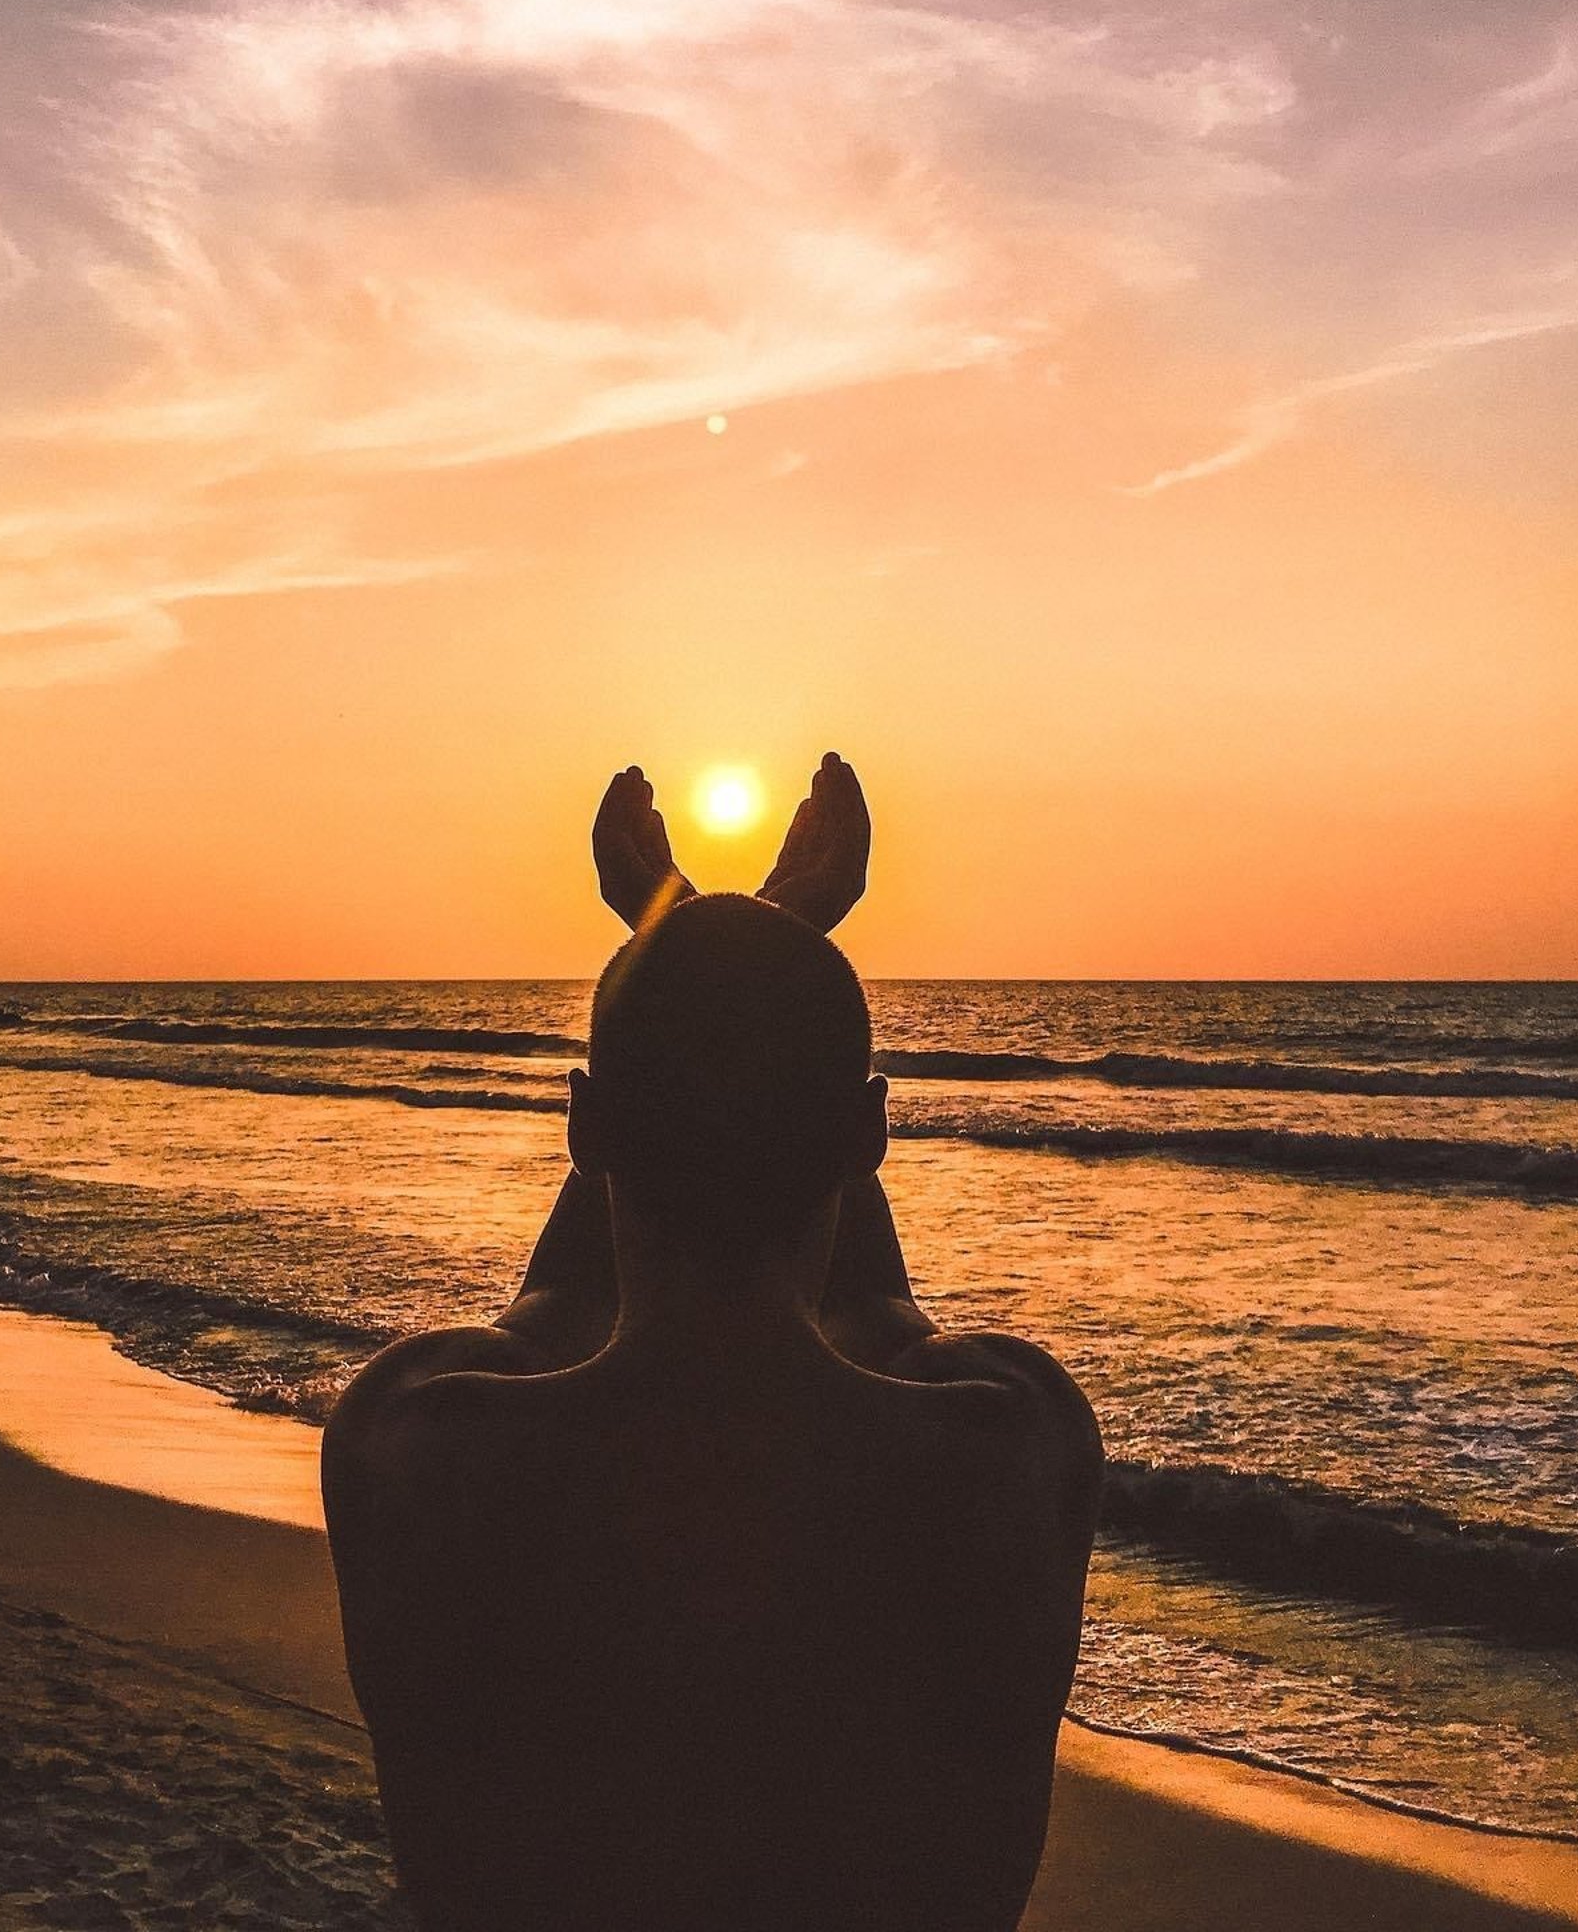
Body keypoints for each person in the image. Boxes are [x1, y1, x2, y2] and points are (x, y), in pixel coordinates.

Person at [323, 755, 1101, 1932]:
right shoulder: (1007, 1446)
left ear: (586, 1126)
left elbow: (544, 1316)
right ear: (869, 1133)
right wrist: (758, 938)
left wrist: (681, 934)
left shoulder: (420, 1440)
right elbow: (893, 1330)